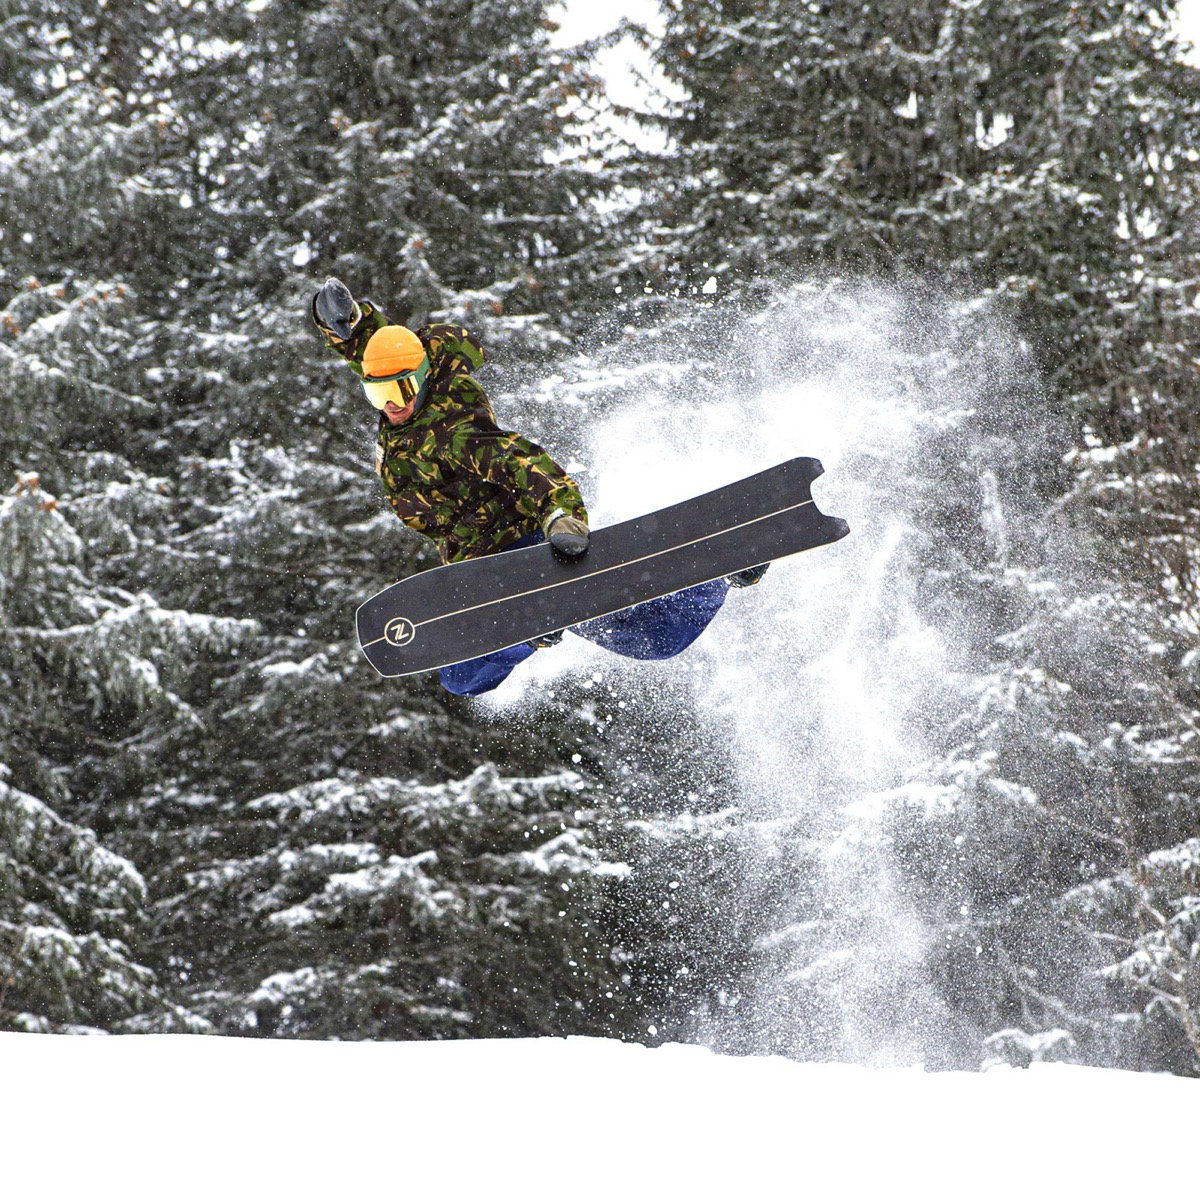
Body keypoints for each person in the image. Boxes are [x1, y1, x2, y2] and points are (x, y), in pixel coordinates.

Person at [311, 277, 767, 696]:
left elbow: (524, 463)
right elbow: (378, 353)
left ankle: (712, 573)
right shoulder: (407, 376)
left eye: (401, 392)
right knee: (649, 642)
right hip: (474, 566)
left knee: (464, 676)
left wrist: (561, 516)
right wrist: (347, 323)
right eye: (379, 395)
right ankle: (532, 624)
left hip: (519, 551)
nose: (392, 406)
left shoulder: (454, 433)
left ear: (425, 376)